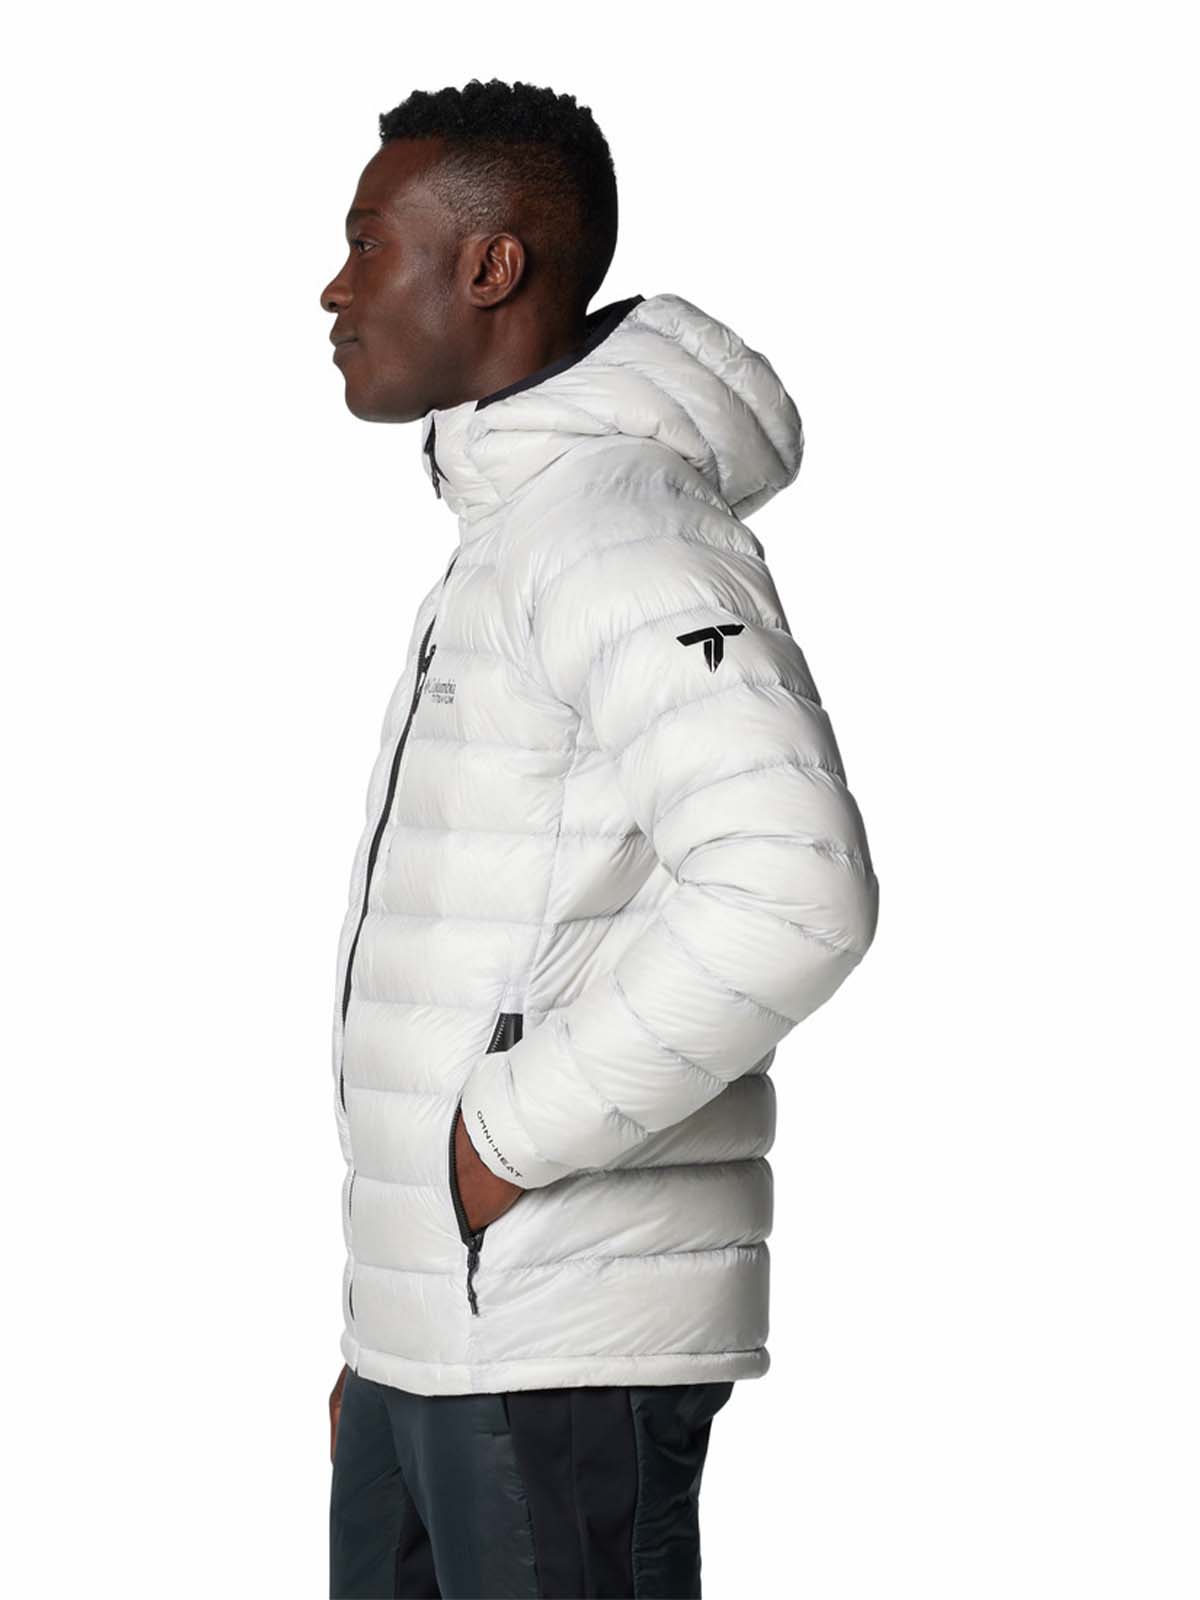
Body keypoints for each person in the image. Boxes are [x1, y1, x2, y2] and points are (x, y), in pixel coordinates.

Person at [319, 76, 879, 1600]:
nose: (335, 287)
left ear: (490, 266)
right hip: (450, 1333)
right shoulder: (518, 533)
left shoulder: (615, 526)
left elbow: (794, 893)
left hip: (556, 1336)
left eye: (368, 243)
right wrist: (389, 1326)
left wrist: (500, 1144)